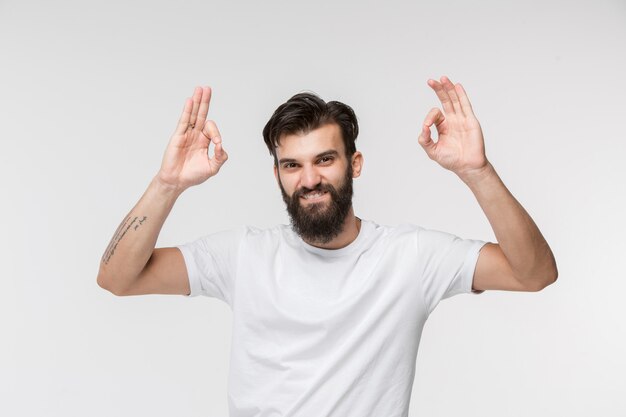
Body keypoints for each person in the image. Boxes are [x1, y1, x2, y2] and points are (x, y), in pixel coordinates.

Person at [97, 76, 558, 417]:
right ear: (276, 174)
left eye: (324, 159)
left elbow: (533, 273)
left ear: (354, 164)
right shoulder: (243, 255)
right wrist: (168, 184)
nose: (310, 179)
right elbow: (117, 279)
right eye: (292, 165)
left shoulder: (410, 257)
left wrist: (476, 171)